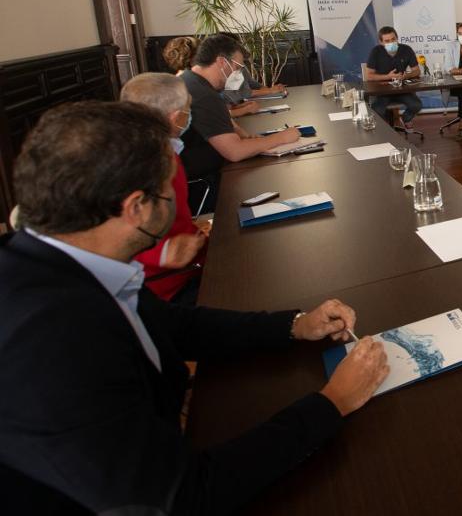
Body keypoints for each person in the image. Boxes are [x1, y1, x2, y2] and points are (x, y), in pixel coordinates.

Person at [0, 101, 389, 514]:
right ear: (136, 208)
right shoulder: (49, 345)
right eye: (171, 188)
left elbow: (171, 324)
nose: (177, 198)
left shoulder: (56, 263)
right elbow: (185, 496)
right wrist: (332, 403)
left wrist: (294, 326)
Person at [120, 72, 209, 303]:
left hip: (177, 267)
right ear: (176, 117)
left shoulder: (147, 150)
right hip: (166, 286)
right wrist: (163, 253)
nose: (190, 115)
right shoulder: (148, 162)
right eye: (188, 109)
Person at [178, 33, 301, 183]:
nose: (237, 74)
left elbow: (222, 123)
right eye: (236, 67)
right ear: (222, 62)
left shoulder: (189, 80)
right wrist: (282, 137)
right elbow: (234, 152)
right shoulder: (203, 94)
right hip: (203, 181)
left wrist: (245, 137)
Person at [364, 26, 423, 128]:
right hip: (381, 92)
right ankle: (387, 130)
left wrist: (406, 76)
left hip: (401, 89)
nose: (391, 43)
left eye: (393, 39)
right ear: (381, 42)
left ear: (397, 38)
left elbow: (417, 71)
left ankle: (405, 119)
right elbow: (369, 76)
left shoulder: (406, 49)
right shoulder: (376, 52)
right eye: (387, 41)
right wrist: (388, 76)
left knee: (416, 105)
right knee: (377, 110)